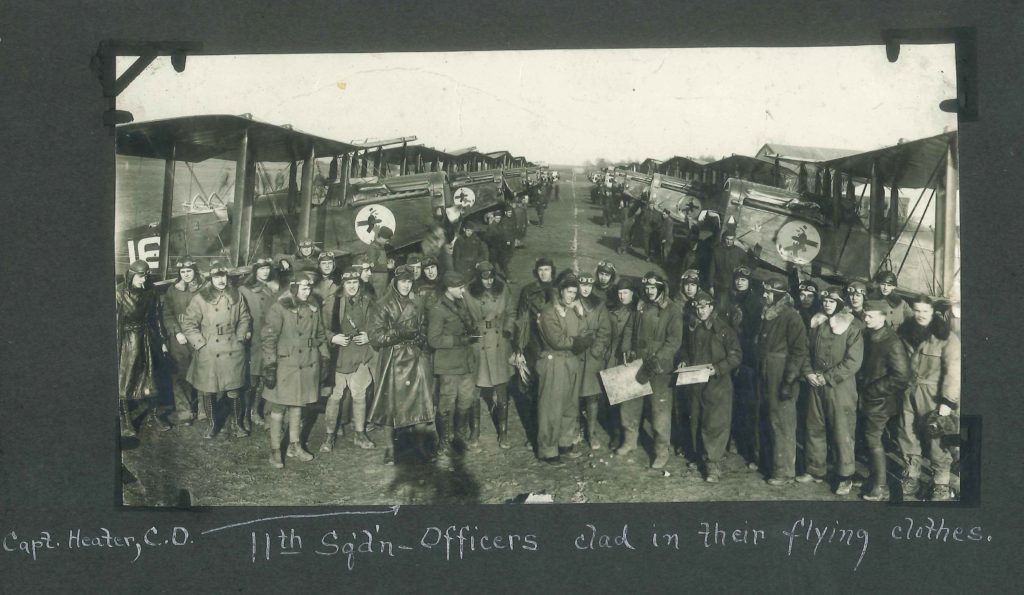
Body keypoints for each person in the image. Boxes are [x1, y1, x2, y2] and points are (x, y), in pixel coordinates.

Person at [798, 286, 864, 495]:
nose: (827, 304)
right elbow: (805, 351)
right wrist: (808, 372)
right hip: (815, 383)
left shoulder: (852, 327)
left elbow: (853, 362)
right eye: (825, 300)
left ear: (840, 305)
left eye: (832, 301)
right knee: (814, 426)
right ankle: (815, 469)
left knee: (841, 429)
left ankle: (845, 476)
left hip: (839, 386)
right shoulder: (816, 323)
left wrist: (827, 377)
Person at [367, 265, 436, 465]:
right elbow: (375, 337)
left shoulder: (417, 302)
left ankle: (420, 445)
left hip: (414, 356)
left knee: (421, 402)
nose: (406, 285)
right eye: (402, 281)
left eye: (409, 281)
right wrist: (399, 333)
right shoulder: (382, 305)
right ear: (395, 282)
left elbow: (423, 325)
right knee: (391, 406)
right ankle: (390, 448)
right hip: (393, 358)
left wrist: (419, 338)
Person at [261, 271, 329, 468]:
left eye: (309, 288)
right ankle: (275, 450)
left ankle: (294, 445)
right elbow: (269, 339)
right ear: (294, 288)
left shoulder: (313, 307)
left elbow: (321, 335)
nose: (307, 292)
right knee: (278, 406)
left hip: (307, 362)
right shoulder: (279, 307)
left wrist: (324, 357)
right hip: (285, 365)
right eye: (303, 288)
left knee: (298, 405)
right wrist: (270, 365)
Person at [897, 294, 961, 501]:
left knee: (936, 438)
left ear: (933, 312)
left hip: (933, 394)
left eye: (925, 311)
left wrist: (947, 401)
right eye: (917, 310)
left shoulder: (946, 338)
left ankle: (941, 483)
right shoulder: (905, 332)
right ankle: (912, 476)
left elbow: (954, 371)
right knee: (907, 433)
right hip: (908, 391)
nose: (921, 315)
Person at [618, 272, 685, 469]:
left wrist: (659, 358)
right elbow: (630, 327)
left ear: (661, 289)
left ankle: (661, 451)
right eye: (646, 288)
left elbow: (674, 341)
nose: (649, 291)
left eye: (652, 288)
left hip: (659, 367)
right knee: (630, 405)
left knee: (660, 412)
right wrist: (627, 349)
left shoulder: (672, 310)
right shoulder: (640, 305)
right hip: (638, 361)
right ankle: (630, 441)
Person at [181, 261, 252, 439]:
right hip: (210, 349)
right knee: (208, 389)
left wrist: (241, 337)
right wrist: (201, 344)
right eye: (216, 277)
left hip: (232, 347)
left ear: (227, 277)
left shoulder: (236, 295)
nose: (220, 280)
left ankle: (237, 424)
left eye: (223, 276)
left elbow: (244, 317)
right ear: (210, 278)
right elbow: (188, 324)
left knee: (234, 389)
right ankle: (213, 425)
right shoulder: (200, 298)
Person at [681, 290, 742, 482]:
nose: (700, 311)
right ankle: (700, 457)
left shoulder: (723, 330)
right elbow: (684, 348)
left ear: (712, 307)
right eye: (697, 307)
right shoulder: (693, 327)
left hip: (717, 384)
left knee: (714, 424)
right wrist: (683, 359)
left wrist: (717, 368)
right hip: (695, 382)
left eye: (704, 307)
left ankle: (713, 465)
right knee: (696, 420)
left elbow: (736, 356)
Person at [756, 278, 810, 486]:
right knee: (769, 419)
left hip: (781, 374)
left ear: (778, 295)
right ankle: (771, 464)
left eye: (768, 292)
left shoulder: (792, 317)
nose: (764, 296)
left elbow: (799, 352)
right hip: (767, 372)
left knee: (783, 423)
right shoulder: (769, 314)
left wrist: (789, 380)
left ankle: (785, 472)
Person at [857, 299, 910, 501]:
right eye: (865, 314)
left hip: (879, 401)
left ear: (882, 316)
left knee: (873, 440)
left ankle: (880, 486)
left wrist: (873, 391)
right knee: (868, 439)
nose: (866, 318)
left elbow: (902, 375)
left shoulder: (892, 341)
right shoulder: (869, 335)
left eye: (870, 315)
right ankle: (874, 479)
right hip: (868, 398)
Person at [535, 273, 590, 465]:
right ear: (560, 291)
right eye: (569, 292)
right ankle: (548, 449)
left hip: (571, 361)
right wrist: (578, 342)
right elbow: (557, 340)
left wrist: (581, 315)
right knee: (551, 407)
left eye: (575, 293)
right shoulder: (549, 311)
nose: (572, 296)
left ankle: (564, 442)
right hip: (554, 362)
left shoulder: (573, 309)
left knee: (570, 405)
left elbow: (585, 331)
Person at [321, 267, 378, 452]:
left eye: (355, 283)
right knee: (335, 395)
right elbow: (320, 328)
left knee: (359, 394)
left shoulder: (367, 301)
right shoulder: (332, 302)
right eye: (349, 283)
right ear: (343, 284)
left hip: (360, 354)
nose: (352, 286)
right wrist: (332, 338)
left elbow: (376, 325)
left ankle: (359, 434)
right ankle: (329, 436)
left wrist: (369, 336)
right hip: (338, 355)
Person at [463, 262, 517, 449]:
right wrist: (471, 332)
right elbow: (464, 315)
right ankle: (475, 430)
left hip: (498, 341)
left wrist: (508, 329)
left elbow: (511, 312)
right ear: (478, 277)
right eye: (485, 278)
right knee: (474, 389)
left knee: (501, 388)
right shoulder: (468, 292)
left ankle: (503, 432)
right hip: (478, 343)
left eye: (491, 277)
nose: (489, 281)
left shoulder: (502, 289)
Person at [428, 271, 481, 456]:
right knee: (446, 404)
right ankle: (443, 441)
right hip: (449, 365)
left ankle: (459, 436)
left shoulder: (461, 303)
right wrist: (459, 340)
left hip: (465, 362)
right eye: (460, 287)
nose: (463, 290)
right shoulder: (438, 309)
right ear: (449, 288)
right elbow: (433, 340)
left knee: (465, 400)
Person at [117, 260, 169, 437]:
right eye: (140, 276)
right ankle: (126, 421)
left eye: (146, 276)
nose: (144, 280)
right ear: (131, 275)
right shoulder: (118, 293)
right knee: (126, 380)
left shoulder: (151, 292)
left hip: (147, 338)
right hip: (126, 340)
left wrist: (162, 340)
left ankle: (155, 415)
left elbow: (157, 317)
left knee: (151, 377)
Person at [719, 264, 762, 470]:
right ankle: (730, 440)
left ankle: (749, 446)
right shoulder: (726, 298)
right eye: (737, 279)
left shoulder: (755, 303)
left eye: (743, 280)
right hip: (727, 354)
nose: (739, 282)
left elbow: (754, 332)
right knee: (728, 401)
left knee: (747, 404)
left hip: (746, 359)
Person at [160, 257, 201, 426]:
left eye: (189, 271)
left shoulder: (203, 288)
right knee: (180, 374)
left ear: (195, 271)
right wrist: (176, 332)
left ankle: (201, 409)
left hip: (199, 336)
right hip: (180, 340)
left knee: (200, 373)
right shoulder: (172, 290)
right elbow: (167, 314)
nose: (186, 275)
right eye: (183, 272)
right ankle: (185, 413)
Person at [238, 257, 276, 430]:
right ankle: (244, 415)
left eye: (267, 268)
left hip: (268, 340)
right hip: (251, 341)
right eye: (261, 269)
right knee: (250, 380)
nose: (265, 272)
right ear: (255, 271)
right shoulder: (244, 290)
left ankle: (256, 411)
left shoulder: (273, 289)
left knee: (263, 378)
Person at [576, 272, 613, 451]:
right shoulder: (570, 302)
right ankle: (574, 429)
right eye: (582, 285)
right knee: (572, 393)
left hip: (591, 357)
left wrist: (597, 350)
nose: (585, 289)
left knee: (591, 396)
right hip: (574, 355)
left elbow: (605, 330)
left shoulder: (599, 305)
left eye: (589, 286)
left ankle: (591, 432)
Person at [604, 277, 637, 450]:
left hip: (630, 356)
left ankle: (629, 437)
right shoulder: (612, 310)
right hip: (614, 355)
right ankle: (617, 434)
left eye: (625, 293)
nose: (622, 296)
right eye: (620, 293)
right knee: (614, 399)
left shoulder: (639, 310)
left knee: (630, 400)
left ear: (632, 293)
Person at [708, 225, 754, 298]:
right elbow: (712, 269)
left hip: (733, 285)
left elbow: (748, 266)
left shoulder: (739, 251)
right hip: (719, 284)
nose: (729, 242)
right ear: (723, 238)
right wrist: (711, 286)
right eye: (727, 239)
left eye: (731, 239)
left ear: (734, 240)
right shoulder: (716, 251)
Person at [365, 226, 395, 299]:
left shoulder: (380, 246)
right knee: (379, 299)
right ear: (381, 237)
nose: (388, 242)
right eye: (387, 239)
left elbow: (380, 259)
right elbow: (372, 266)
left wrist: (388, 260)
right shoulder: (373, 247)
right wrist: (387, 266)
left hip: (382, 279)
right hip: (377, 280)